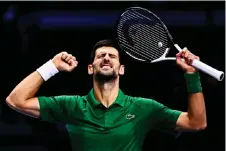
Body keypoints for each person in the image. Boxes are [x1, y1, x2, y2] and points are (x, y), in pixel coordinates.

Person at [6, 39, 206, 151]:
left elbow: (196, 123)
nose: (107, 58)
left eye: (112, 56)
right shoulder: (71, 106)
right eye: (101, 56)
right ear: (91, 69)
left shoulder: (144, 108)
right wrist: (52, 66)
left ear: (121, 69)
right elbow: (16, 100)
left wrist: (191, 75)